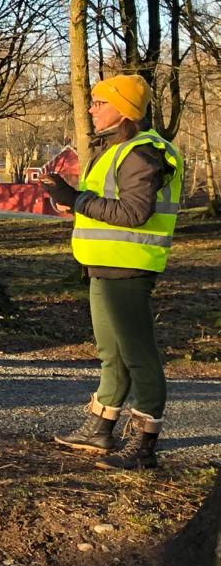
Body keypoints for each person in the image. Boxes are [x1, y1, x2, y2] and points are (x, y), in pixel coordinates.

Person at [46, 74, 184, 470]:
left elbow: (135, 214)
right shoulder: (116, 149)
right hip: (104, 266)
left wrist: (78, 199)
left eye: (99, 102)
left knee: (138, 356)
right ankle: (100, 428)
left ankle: (144, 448)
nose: (91, 108)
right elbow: (103, 207)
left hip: (130, 267)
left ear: (124, 109)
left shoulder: (143, 152)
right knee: (112, 354)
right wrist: (67, 200)